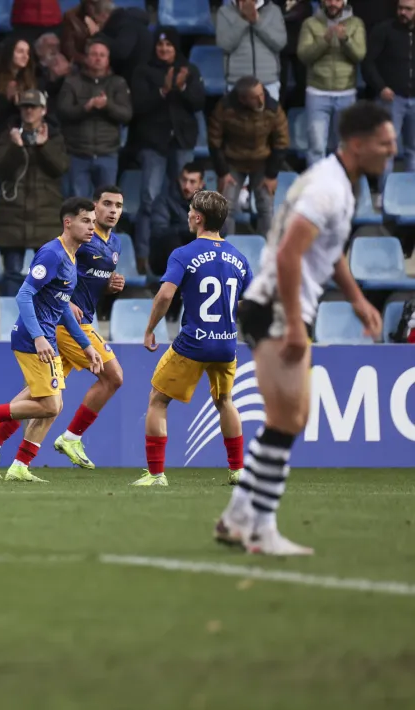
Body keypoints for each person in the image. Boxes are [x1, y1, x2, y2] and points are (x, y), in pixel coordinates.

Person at [215, 101, 394, 556]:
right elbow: (289, 255)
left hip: (281, 306)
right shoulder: (328, 189)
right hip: (278, 306)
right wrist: (295, 324)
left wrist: (356, 299)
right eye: (385, 142)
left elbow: (327, 251)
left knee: (287, 419)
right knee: (290, 418)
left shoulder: (340, 184)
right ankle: (261, 529)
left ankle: (238, 517)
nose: (392, 150)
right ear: (358, 144)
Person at [0, 197, 104, 482]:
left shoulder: (71, 256)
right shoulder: (52, 254)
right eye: (86, 221)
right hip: (31, 338)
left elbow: (61, 306)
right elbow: (24, 295)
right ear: (68, 222)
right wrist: (38, 336)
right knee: (50, 405)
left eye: (93, 222)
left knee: (52, 405)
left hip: (46, 335)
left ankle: (18, 465)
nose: (92, 227)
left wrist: (86, 346)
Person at [136, 190, 253, 488]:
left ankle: (156, 474)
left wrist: (150, 328)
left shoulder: (184, 253)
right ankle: (238, 470)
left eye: (190, 211)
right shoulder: (239, 258)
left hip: (194, 342)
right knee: (225, 401)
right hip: (227, 343)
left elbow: (165, 294)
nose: (188, 215)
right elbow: (248, 303)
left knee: (158, 400)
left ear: (198, 218)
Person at [51, 185, 125, 467]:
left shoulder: (114, 244)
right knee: (114, 377)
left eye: (118, 205)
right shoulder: (82, 237)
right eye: (107, 204)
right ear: (95, 206)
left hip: (80, 320)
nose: (113, 210)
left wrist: (110, 286)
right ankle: (71, 436)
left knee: (44, 394)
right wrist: (63, 299)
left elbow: (89, 281)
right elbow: (55, 266)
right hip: (69, 323)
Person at [129, 27, 204, 271]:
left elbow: (198, 102)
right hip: (153, 143)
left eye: (169, 45)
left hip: (181, 142)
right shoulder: (143, 71)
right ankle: (143, 256)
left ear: (175, 48)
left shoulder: (189, 70)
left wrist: (181, 88)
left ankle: (188, 256)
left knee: (189, 199)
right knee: (149, 200)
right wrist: (164, 90)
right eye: (160, 45)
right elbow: (137, 106)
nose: (164, 49)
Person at [0, 89, 70, 296]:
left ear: (43, 110)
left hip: (45, 216)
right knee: (12, 274)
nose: (28, 111)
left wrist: (43, 146)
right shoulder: (9, 135)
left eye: (33, 107)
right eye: (25, 107)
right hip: (13, 216)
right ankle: (9, 323)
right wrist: (15, 147)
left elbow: (60, 167)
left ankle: (44, 323)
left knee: (47, 276)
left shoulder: (54, 137)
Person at [209, 76, 290, 237]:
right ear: (243, 99)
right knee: (225, 208)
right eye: (256, 97)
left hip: (262, 163)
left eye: (262, 94)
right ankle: (225, 251)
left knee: (266, 208)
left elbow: (282, 142)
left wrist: (271, 175)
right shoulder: (225, 108)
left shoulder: (272, 108)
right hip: (233, 163)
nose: (262, 99)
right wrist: (223, 173)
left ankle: (266, 253)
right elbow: (214, 141)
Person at [56, 38, 132, 200]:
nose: (98, 58)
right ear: (86, 58)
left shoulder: (118, 83)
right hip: (77, 153)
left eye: (102, 55)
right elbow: (63, 112)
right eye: (94, 54)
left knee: (108, 205)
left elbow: (126, 115)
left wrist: (107, 105)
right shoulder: (72, 82)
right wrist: (86, 107)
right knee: (78, 204)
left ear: (108, 59)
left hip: (107, 153)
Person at [297, 0, 366, 167]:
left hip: (346, 93)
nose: (332, 4)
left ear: (344, 2)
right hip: (317, 93)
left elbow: (359, 55)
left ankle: (341, 187)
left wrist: (346, 40)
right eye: (328, 0)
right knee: (316, 147)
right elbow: (303, 55)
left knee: (344, 147)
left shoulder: (356, 23)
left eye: (336, 0)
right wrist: (324, 40)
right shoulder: (310, 23)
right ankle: (316, 189)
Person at [363, 0, 415, 191]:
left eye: (408, 9)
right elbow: (368, 62)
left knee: (413, 150)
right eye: (400, 8)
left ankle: (410, 196)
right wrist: (381, 87)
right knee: (386, 149)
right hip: (392, 100)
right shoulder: (384, 30)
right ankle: (385, 195)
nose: (403, 12)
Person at [217, 0, 287, 102]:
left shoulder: (273, 11)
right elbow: (225, 44)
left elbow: (280, 43)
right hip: (237, 83)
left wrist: (257, 21)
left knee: (269, 118)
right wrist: (243, 19)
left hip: (268, 82)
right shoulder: (224, 12)